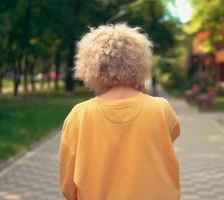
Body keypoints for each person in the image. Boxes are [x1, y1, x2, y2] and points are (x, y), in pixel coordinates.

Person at [58, 24, 181, 200]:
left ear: (89, 66)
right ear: (140, 63)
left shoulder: (79, 114)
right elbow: (166, 138)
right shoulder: (161, 108)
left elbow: (67, 182)